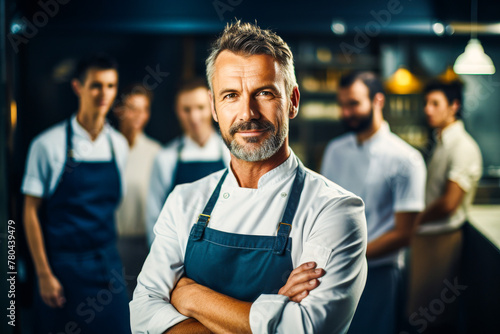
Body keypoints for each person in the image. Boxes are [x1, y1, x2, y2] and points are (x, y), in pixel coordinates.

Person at [130, 21, 368, 334]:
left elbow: (305, 328)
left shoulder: (335, 211)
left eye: (265, 93)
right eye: (230, 95)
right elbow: (143, 314)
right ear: (214, 108)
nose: (248, 113)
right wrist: (269, 314)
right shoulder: (184, 201)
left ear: (293, 101)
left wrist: (189, 295)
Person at [22, 54, 131, 333]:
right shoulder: (47, 145)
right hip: (62, 269)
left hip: (107, 267)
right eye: (95, 85)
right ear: (77, 87)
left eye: (110, 86)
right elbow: (30, 212)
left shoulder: (118, 145)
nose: (103, 94)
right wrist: (44, 274)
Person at [321, 71, 426, 334]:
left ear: (378, 101)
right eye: (342, 105)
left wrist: (349, 254)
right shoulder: (335, 150)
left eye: (354, 104)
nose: (346, 112)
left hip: (379, 274)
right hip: (331, 272)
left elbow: (404, 234)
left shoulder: (406, 159)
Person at [407, 80, 482, 333]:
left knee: (432, 316)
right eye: (426, 103)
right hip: (428, 236)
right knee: (419, 310)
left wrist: (414, 220)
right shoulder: (442, 141)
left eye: (435, 103)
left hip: (442, 238)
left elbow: (449, 203)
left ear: (454, 106)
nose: (428, 109)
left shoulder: (463, 147)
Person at [146, 78, 229, 245]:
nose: (194, 117)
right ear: (177, 111)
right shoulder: (166, 158)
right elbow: (154, 216)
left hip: (223, 249)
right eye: (186, 110)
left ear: (212, 108)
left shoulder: (231, 154)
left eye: (200, 108)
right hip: (179, 254)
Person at [114, 84, 161, 298]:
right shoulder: (108, 149)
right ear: (119, 110)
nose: (138, 115)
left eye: (144, 109)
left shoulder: (157, 153)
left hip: (145, 245)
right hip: (112, 244)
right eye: (132, 108)